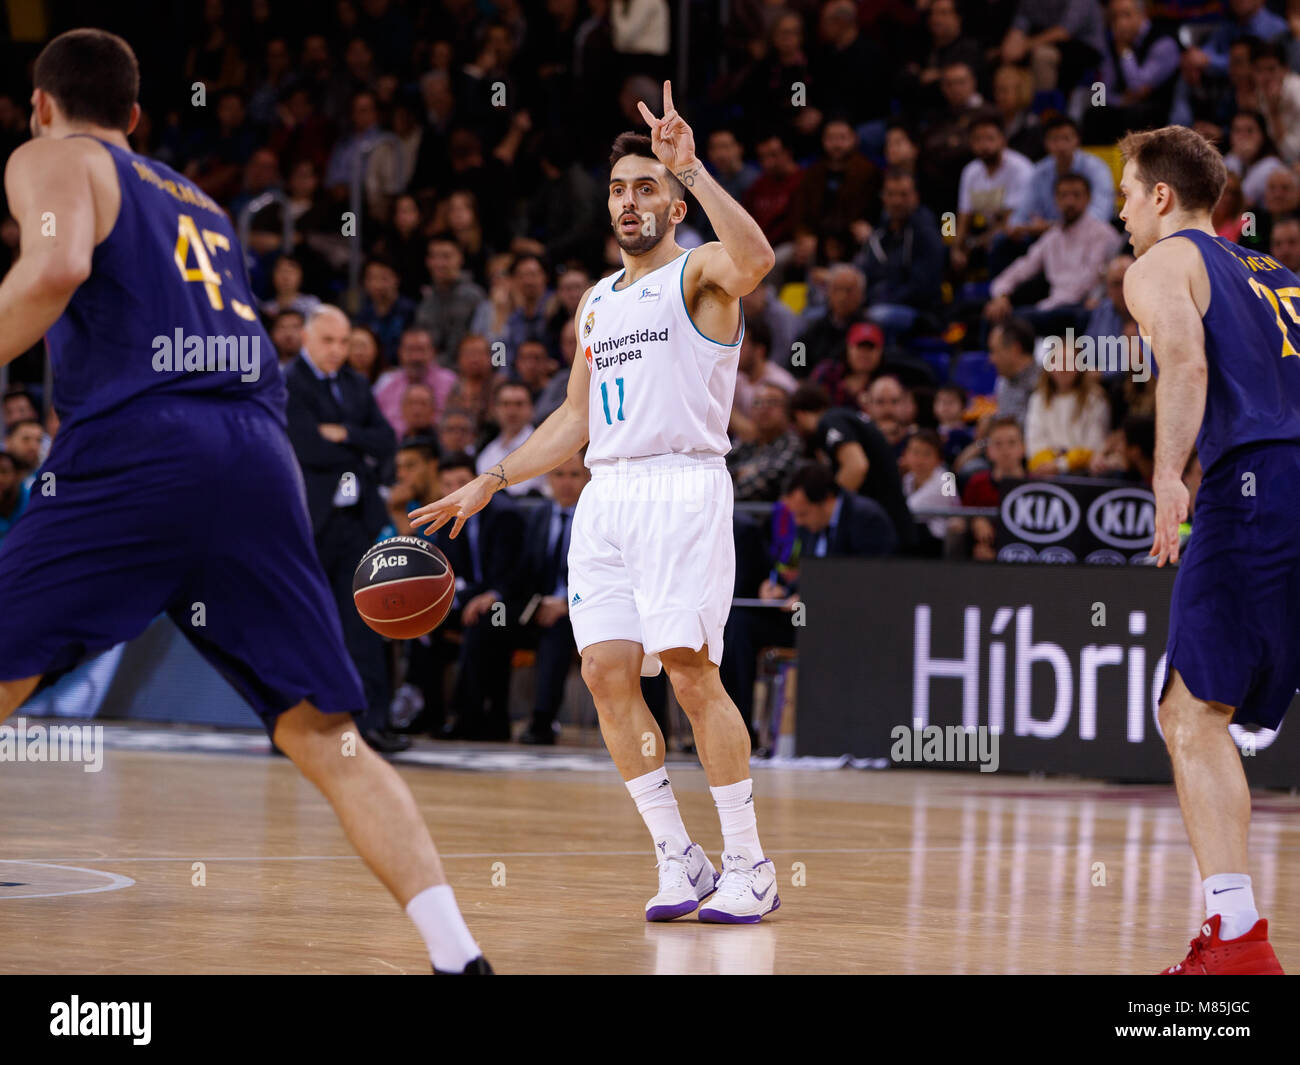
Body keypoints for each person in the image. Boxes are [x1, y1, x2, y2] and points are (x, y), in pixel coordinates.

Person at [0, 29, 490, 975]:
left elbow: (51, 270)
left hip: (141, 448)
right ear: (138, 117)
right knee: (324, 733)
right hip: (255, 454)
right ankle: (458, 956)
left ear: (41, 105)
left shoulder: (51, 154)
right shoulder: (204, 203)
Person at [410, 84, 781, 924]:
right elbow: (574, 418)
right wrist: (492, 478)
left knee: (690, 674)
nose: (629, 200)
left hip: (682, 485)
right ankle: (677, 858)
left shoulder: (701, 272)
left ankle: (749, 863)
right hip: (607, 498)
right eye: (619, 188)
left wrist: (696, 166)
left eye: (647, 187)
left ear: (677, 204)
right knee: (607, 673)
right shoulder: (597, 301)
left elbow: (756, 259)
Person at [1118, 123, 1298, 974]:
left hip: (1255, 486)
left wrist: (1167, 476)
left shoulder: (1160, 263)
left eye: (1125, 193)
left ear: (1160, 195)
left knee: (1191, 712)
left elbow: (1184, 367)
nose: (1121, 213)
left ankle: (1236, 938)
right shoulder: (1279, 275)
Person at [285, 306, 403, 754]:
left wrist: (344, 434)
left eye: (343, 341)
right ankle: (296, 729)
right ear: (307, 340)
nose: (338, 350)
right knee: (305, 625)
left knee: (365, 626)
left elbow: (387, 440)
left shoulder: (355, 383)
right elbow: (308, 447)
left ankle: (373, 724)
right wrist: (354, 442)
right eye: (329, 341)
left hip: (357, 525)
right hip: (311, 526)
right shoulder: (289, 383)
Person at [513, 451, 591, 745]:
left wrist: (567, 605)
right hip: (536, 607)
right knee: (489, 625)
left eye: (574, 475)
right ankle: (479, 717)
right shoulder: (537, 517)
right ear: (548, 479)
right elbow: (522, 572)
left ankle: (543, 721)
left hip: (582, 610)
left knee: (556, 633)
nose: (566, 483)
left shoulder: (596, 516)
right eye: (559, 475)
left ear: (587, 478)